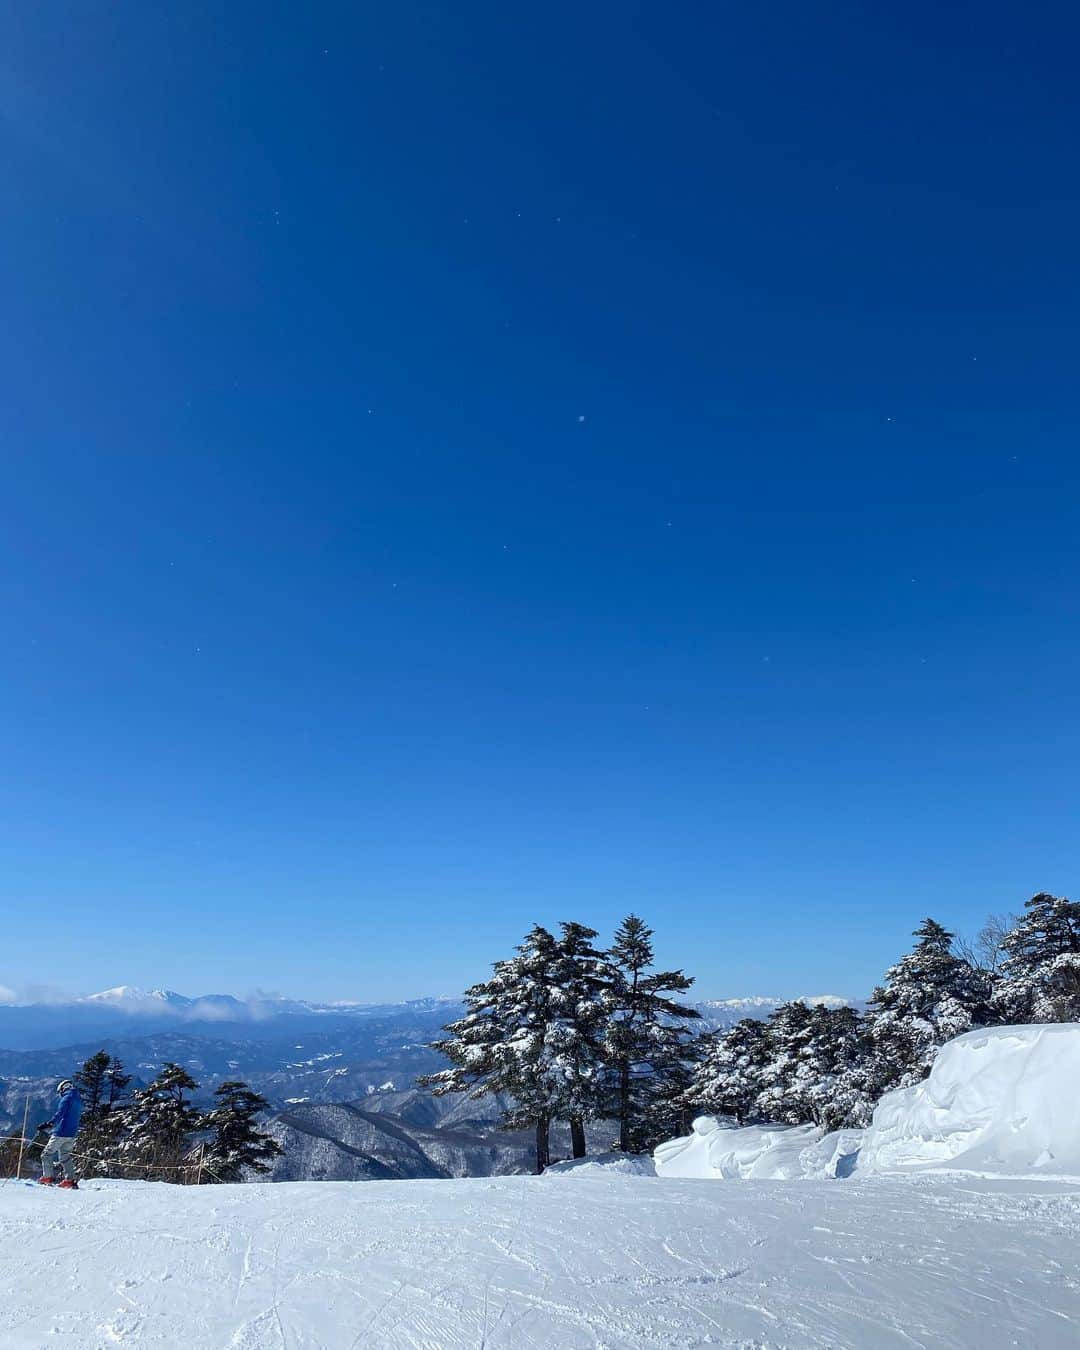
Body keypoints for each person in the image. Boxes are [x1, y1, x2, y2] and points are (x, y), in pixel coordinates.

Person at [37, 1078, 83, 1189]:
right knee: (65, 1156)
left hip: (60, 1132)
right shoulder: (78, 1100)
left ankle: (47, 1177)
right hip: (72, 1133)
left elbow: (60, 1114)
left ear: (63, 1089)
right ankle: (70, 1180)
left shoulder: (66, 1099)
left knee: (46, 1154)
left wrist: (49, 1124)